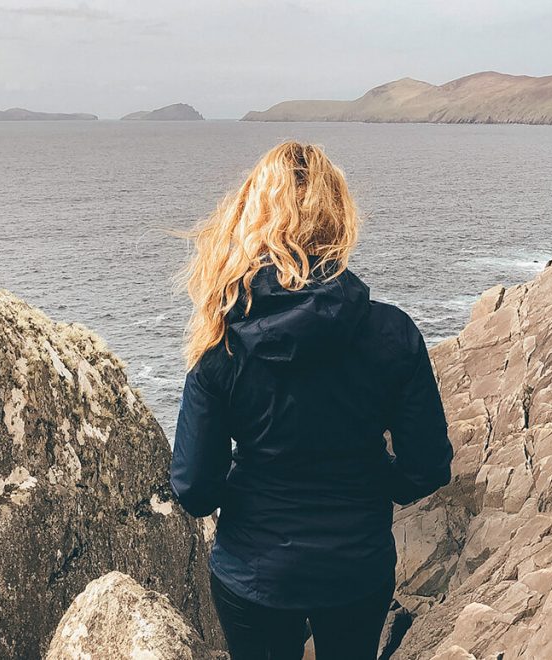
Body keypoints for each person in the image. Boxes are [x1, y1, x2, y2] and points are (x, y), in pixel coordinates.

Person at [170, 141, 453, 660]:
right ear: (339, 218)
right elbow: (428, 467)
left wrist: (248, 484)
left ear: (250, 218)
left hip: (254, 571)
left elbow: (194, 489)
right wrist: (371, 479)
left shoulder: (222, 344)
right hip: (356, 566)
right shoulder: (393, 333)